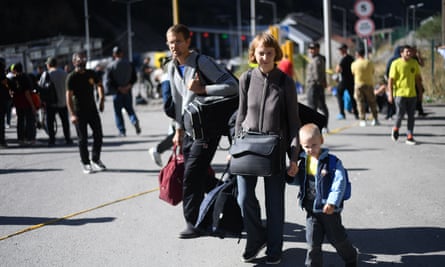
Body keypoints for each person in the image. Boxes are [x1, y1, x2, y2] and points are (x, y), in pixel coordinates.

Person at [165, 24, 238, 239]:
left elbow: (232, 86)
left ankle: (195, 223)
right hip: (188, 129)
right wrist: (178, 129)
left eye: (178, 41)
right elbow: (178, 101)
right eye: (170, 42)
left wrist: (203, 90)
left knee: (192, 174)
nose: (174, 46)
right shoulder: (171, 66)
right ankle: (233, 207)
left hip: (207, 127)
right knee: (201, 176)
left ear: (188, 41)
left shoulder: (201, 62)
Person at [234, 32, 300, 264]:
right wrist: (234, 145)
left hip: (274, 150)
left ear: (276, 54)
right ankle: (255, 239)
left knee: (275, 205)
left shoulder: (285, 82)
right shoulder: (246, 79)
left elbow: (294, 123)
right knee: (243, 198)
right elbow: (241, 115)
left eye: (269, 53)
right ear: (254, 54)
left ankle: (274, 250)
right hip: (247, 149)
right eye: (260, 53)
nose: (264, 57)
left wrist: (294, 157)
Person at [288, 123, 357, 267]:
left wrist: (332, 202)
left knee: (337, 239)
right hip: (311, 210)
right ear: (301, 145)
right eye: (306, 147)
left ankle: (350, 258)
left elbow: (339, 183)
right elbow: (300, 181)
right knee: (312, 243)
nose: (310, 149)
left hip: (329, 211)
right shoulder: (304, 162)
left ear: (321, 141)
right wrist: (291, 175)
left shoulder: (332, 162)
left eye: (314, 145)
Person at [66, 51, 106, 174]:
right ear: (74, 62)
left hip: (92, 110)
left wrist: (101, 99)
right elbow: (68, 96)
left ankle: (95, 159)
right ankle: (85, 163)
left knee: (98, 135)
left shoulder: (91, 74)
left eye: (83, 59)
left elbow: (99, 85)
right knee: (83, 139)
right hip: (79, 112)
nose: (82, 62)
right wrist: (72, 114)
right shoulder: (71, 77)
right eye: (79, 60)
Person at [387, 45, 424, 145]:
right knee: (400, 115)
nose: (409, 53)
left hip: (412, 94)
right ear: (401, 53)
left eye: (410, 52)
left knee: (411, 116)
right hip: (399, 94)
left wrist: (420, 92)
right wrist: (390, 95)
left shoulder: (414, 63)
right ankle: (396, 128)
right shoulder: (395, 64)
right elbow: (391, 80)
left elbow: (417, 79)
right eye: (407, 52)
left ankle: (410, 135)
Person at [104, 46, 141, 137]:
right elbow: (134, 77)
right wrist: (128, 86)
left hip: (117, 92)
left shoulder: (111, 65)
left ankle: (122, 131)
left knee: (118, 112)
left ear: (114, 54)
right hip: (128, 91)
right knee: (130, 109)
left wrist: (119, 88)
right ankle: (134, 121)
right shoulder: (129, 63)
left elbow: (109, 80)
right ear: (121, 53)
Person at [39, 57, 72, 146]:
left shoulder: (46, 74)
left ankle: (52, 139)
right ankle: (68, 139)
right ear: (56, 64)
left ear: (49, 65)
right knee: (65, 122)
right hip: (63, 102)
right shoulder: (65, 73)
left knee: (50, 122)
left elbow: (41, 88)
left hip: (51, 103)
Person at [9, 63, 37, 146]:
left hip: (18, 103)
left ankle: (21, 139)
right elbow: (27, 92)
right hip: (26, 102)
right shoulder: (26, 77)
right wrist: (32, 105)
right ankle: (30, 138)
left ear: (15, 70)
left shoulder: (13, 79)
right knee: (29, 120)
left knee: (20, 121)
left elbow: (11, 92)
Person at [350, 48, 379, 127]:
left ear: (357, 54)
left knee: (360, 102)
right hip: (369, 84)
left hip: (358, 84)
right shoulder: (369, 62)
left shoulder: (354, 64)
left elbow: (353, 73)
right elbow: (373, 71)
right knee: (372, 102)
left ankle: (363, 119)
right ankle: (375, 119)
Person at [305, 42, 329, 132]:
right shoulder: (314, 58)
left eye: (313, 48)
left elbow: (317, 75)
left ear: (318, 49)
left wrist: (319, 83)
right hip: (314, 85)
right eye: (310, 48)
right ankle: (321, 126)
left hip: (314, 86)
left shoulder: (318, 59)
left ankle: (318, 127)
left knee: (313, 107)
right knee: (318, 106)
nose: (311, 50)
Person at [335, 44, 358, 120]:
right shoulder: (351, 58)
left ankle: (342, 113)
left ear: (345, 49)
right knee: (352, 97)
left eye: (341, 49)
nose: (340, 51)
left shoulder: (344, 59)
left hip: (344, 80)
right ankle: (356, 113)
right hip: (351, 80)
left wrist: (337, 68)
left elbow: (338, 69)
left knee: (339, 94)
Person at [410, 46, 426, 116]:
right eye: (413, 51)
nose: (414, 53)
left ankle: (420, 109)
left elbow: (422, 64)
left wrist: (419, 56)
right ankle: (414, 109)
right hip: (411, 80)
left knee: (420, 92)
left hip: (417, 78)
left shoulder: (415, 58)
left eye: (415, 51)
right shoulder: (409, 58)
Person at [0, 57, 10, 148]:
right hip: (1, 100)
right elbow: (5, 82)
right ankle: (2, 141)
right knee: (1, 121)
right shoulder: (2, 73)